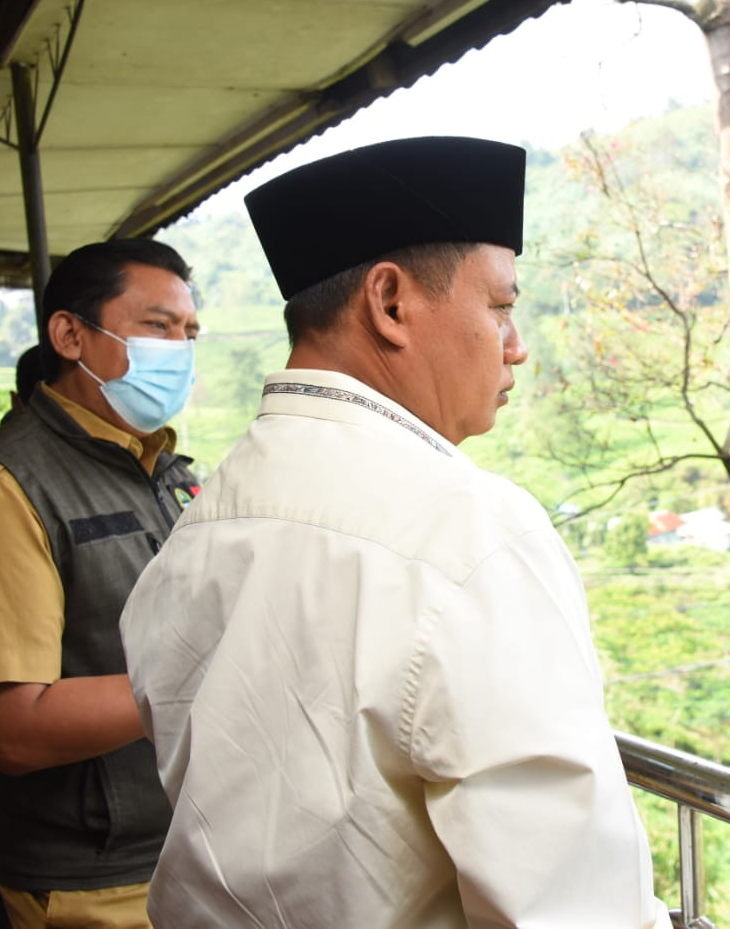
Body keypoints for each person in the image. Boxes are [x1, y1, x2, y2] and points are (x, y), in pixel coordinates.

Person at [120, 136, 670, 928]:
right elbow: (567, 904)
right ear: (389, 302)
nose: (516, 346)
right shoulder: (470, 531)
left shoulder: (200, 524)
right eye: (501, 306)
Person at [0, 239, 202, 929]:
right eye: (158, 327)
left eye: (190, 332)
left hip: (180, 847)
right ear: (71, 333)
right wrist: (207, 673)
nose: (181, 349)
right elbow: (14, 728)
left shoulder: (158, 467)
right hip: (89, 882)